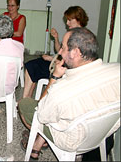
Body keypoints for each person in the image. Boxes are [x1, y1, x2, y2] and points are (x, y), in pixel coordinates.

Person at [18, 27, 120, 160]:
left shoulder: (61, 90)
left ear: (76, 52)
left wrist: (53, 78)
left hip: (71, 140)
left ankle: (37, 142)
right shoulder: (117, 71)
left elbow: (42, 116)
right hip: (102, 133)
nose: (59, 52)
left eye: (63, 48)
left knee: (24, 104)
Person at [22, 6, 89, 98]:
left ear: (78, 19)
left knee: (32, 66)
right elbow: (60, 51)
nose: (67, 23)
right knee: (33, 64)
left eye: (69, 20)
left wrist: (51, 58)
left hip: (63, 70)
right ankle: (27, 97)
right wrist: (56, 38)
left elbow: (73, 62)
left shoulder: (80, 37)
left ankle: (25, 98)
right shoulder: (74, 33)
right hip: (61, 63)